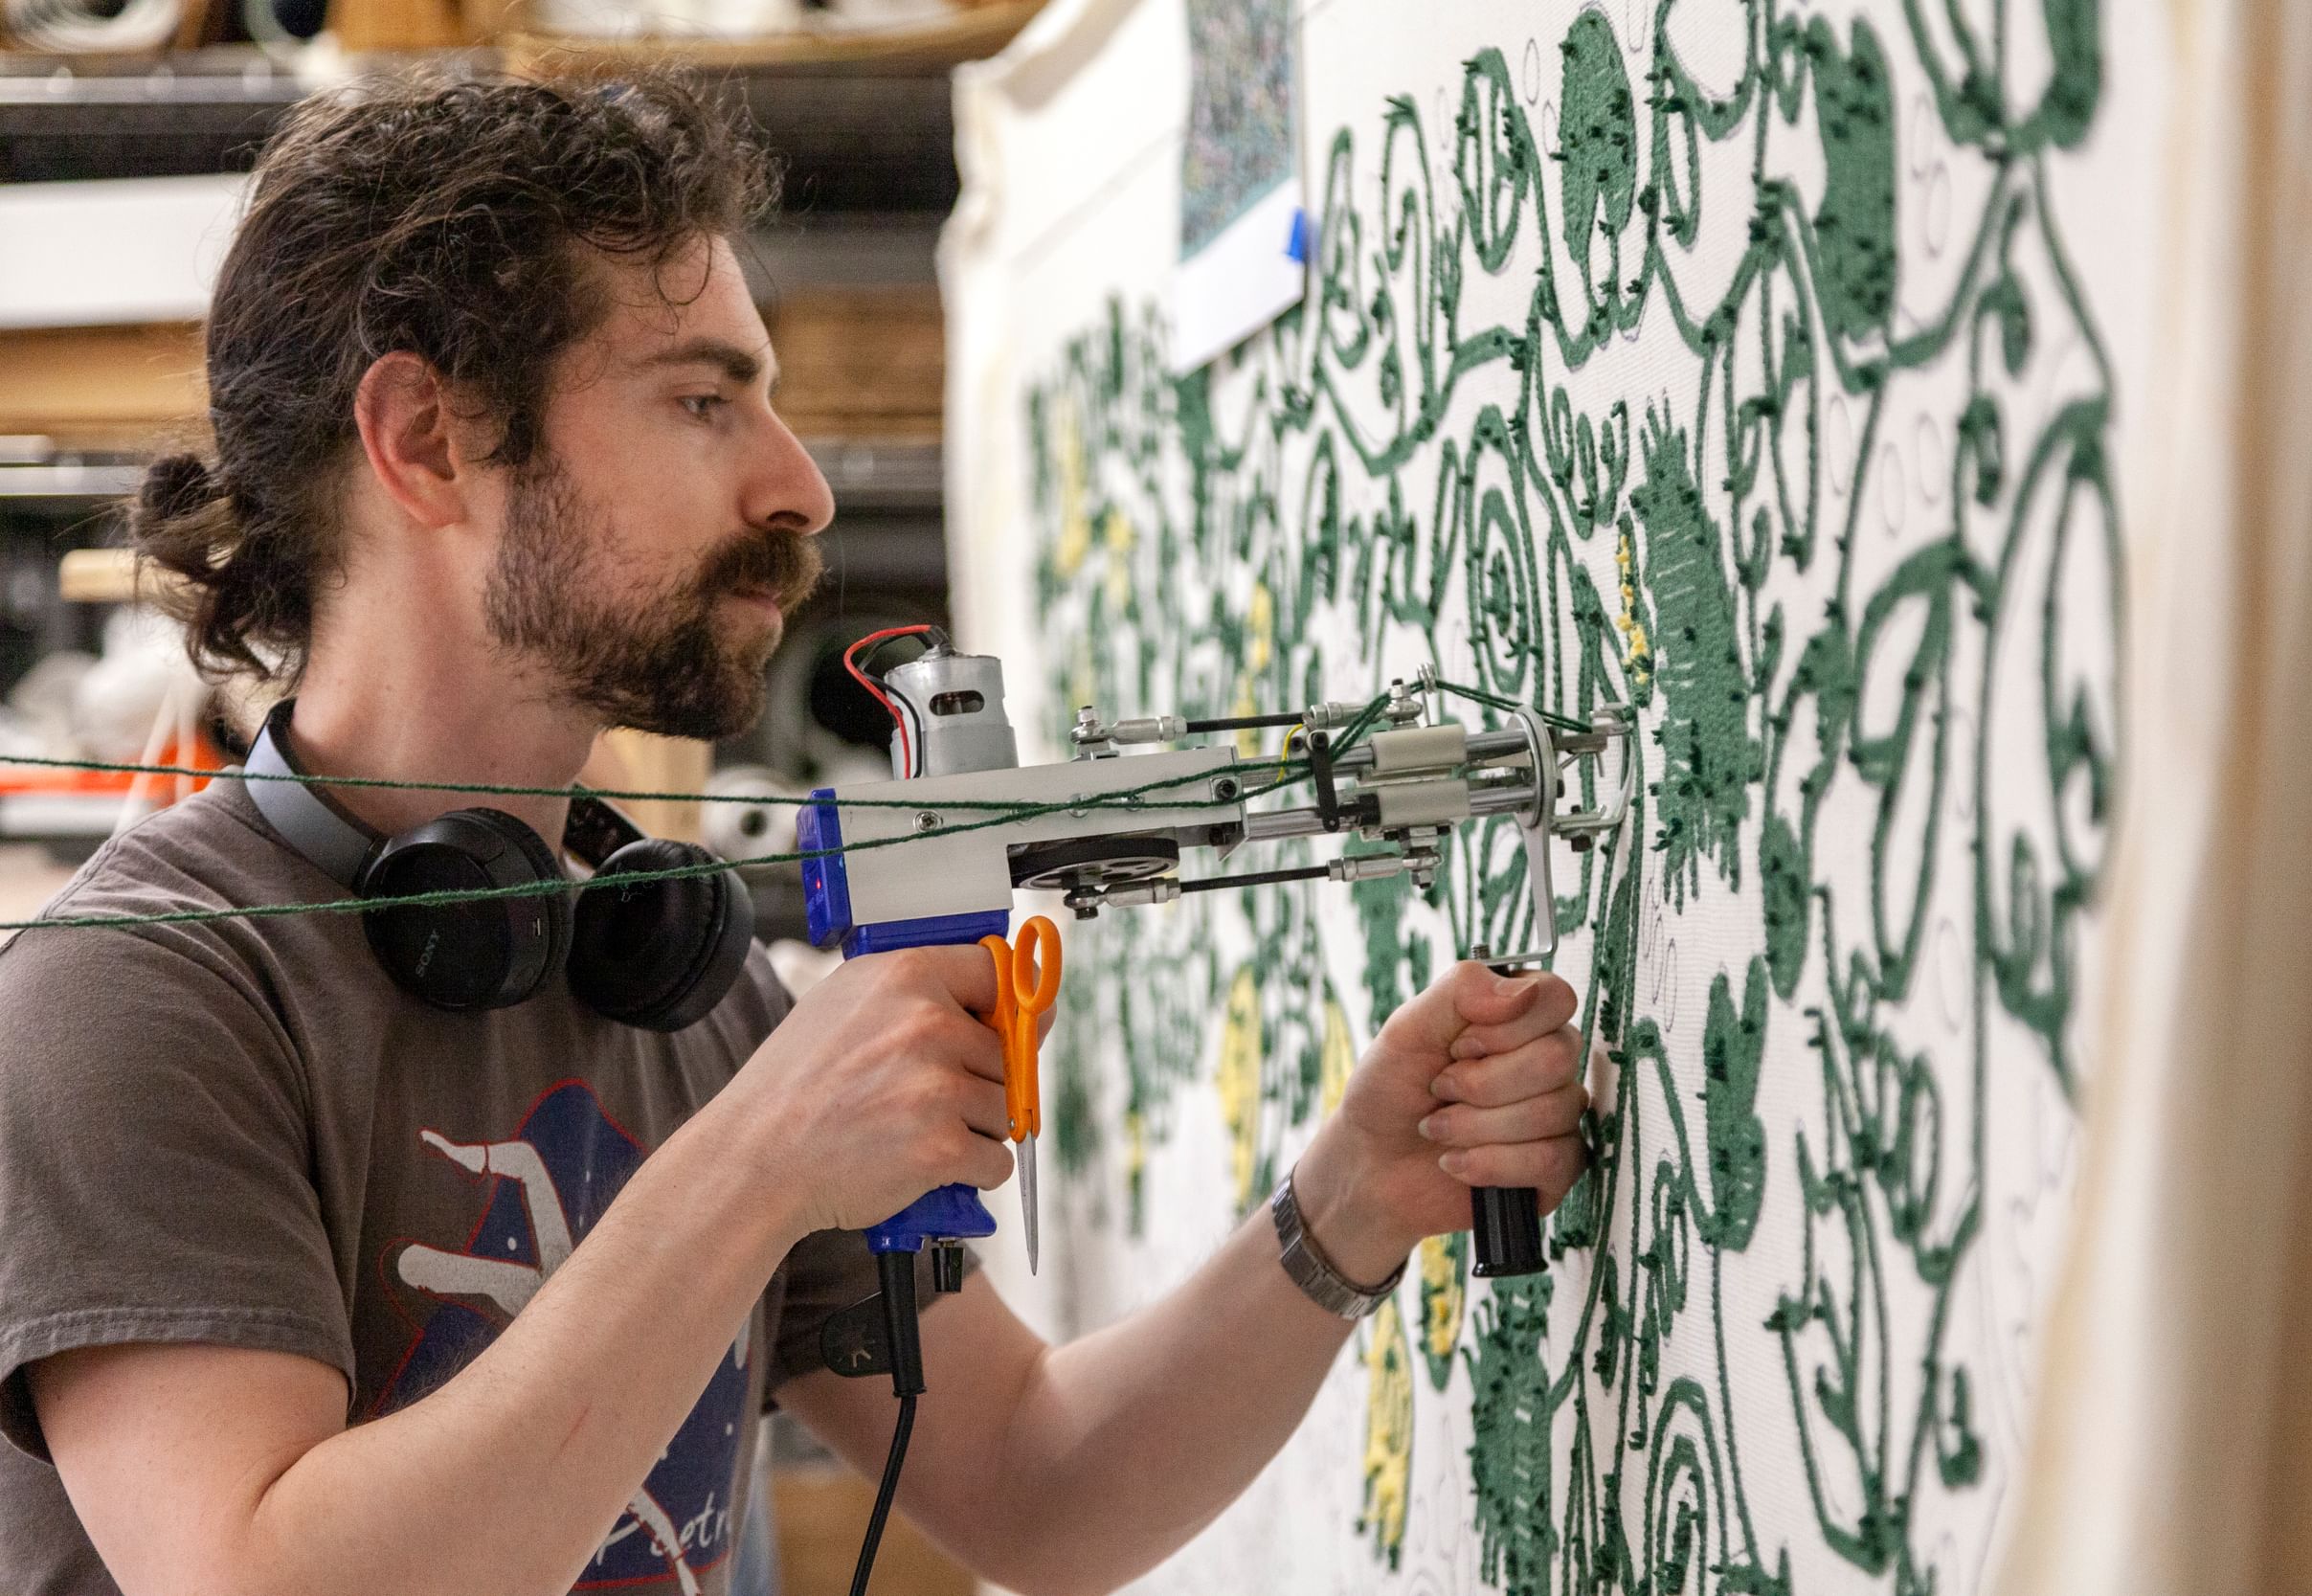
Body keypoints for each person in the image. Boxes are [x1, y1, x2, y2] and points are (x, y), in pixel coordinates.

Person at [0, 71, 1590, 1596]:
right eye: (701, 398)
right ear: (426, 441)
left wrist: (1351, 1204)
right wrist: (759, 1164)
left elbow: (1037, 1485)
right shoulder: (138, 1004)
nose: (804, 485)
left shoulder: (669, 980)